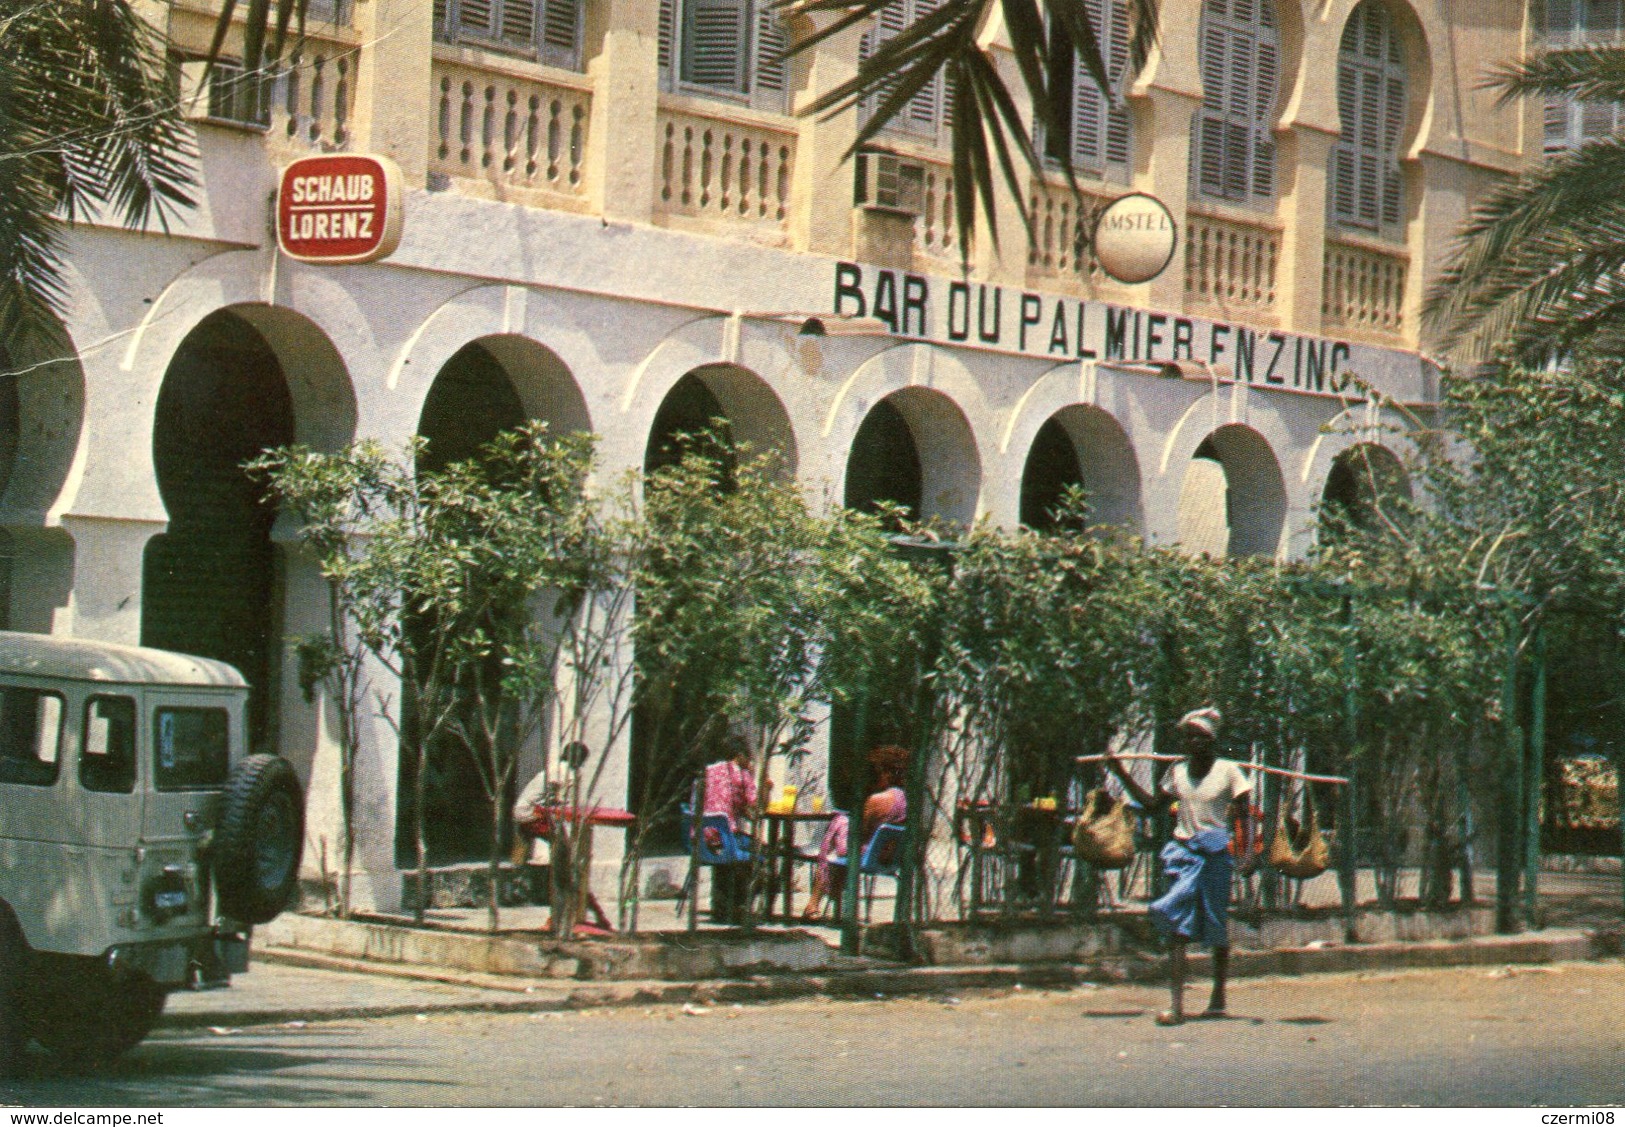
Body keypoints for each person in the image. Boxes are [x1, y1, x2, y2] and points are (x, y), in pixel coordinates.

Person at [1106, 707, 1252, 1026]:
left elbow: (1243, 813)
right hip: (1183, 855)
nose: (1193, 743)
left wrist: (1246, 853)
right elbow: (1152, 805)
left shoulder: (1229, 771)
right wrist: (1119, 772)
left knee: (1216, 926)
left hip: (1214, 857)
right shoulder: (1176, 772)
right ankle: (1176, 1006)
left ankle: (1218, 997)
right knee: (1177, 928)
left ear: (1212, 740)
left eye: (1199, 737)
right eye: (1188, 738)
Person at [802, 744, 910, 920]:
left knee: (836, 838)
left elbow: (858, 831)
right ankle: (832, 903)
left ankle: (814, 905)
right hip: (889, 857)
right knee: (840, 845)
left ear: (885, 773)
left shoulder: (878, 799)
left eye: (877, 771)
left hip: (869, 856)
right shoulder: (906, 800)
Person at [702, 734, 766, 924]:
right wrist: (761, 780)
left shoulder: (708, 771)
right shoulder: (740, 774)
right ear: (740, 756)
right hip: (726, 838)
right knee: (761, 851)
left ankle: (721, 903)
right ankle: (740, 905)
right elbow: (756, 804)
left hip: (703, 839)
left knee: (733, 848)